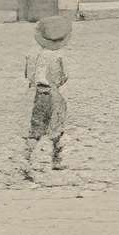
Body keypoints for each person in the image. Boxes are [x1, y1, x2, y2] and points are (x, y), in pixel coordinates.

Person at [22, 13, 72, 177]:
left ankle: (26, 160)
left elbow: (28, 75)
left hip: (39, 93)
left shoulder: (33, 55)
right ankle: (56, 160)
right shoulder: (59, 56)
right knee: (56, 126)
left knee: (36, 127)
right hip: (54, 93)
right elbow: (62, 77)